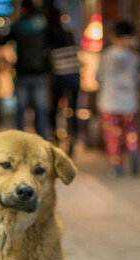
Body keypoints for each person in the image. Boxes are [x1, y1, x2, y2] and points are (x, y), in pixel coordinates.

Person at [96, 20, 140, 177]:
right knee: (130, 131)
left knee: (112, 134)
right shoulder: (134, 57)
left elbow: (99, 76)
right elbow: (139, 77)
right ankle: (133, 148)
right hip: (129, 102)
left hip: (109, 101)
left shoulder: (107, 55)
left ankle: (116, 165)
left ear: (113, 36)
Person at [8, 0, 50, 138]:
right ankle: (41, 138)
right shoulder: (43, 25)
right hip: (39, 72)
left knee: (21, 109)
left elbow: (4, 40)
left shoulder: (17, 26)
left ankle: (20, 137)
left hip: (23, 72)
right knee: (40, 109)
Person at [48, 8, 81, 154]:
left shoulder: (50, 36)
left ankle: (55, 139)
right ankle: (72, 142)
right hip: (74, 75)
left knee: (54, 110)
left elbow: (50, 60)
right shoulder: (69, 34)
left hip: (60, 76)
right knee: (72, 111)